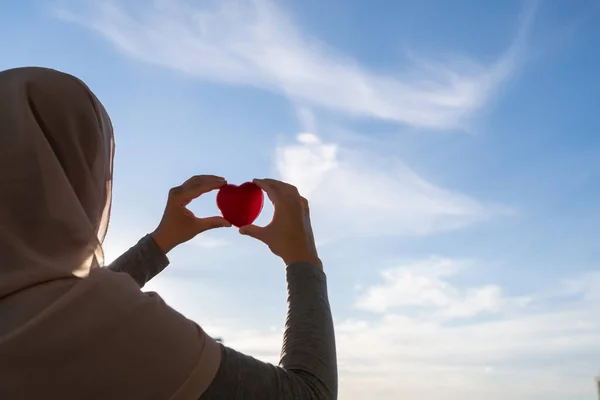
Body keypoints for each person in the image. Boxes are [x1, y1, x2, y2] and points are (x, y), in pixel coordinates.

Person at [0, 67, 337, 399]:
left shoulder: (25, 313)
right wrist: (303, 259)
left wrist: (160, 242)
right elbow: (310, 395)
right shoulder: (110, 332)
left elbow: (66, 320)